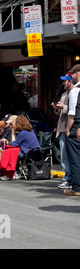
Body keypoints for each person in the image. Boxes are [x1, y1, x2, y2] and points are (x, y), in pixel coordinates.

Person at [51, 73, 74, 189]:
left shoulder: (75, 93)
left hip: (70, 128)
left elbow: (74, 110)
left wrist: (63, 108)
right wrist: (57, 109)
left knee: (69, 156)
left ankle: (69, 179)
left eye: (65, 81)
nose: (63, 83)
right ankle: (68, 178)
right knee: (64, 155)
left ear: (71, 81)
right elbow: (61, 111)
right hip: (63, 127)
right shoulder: (64, 94)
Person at [64, 64, 80, 196]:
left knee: (75, 159)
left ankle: (77, 187)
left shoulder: (75, 91)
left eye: (72, 74)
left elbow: (72, 113)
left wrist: (68, 129)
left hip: (76, 128)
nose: (71, 77)